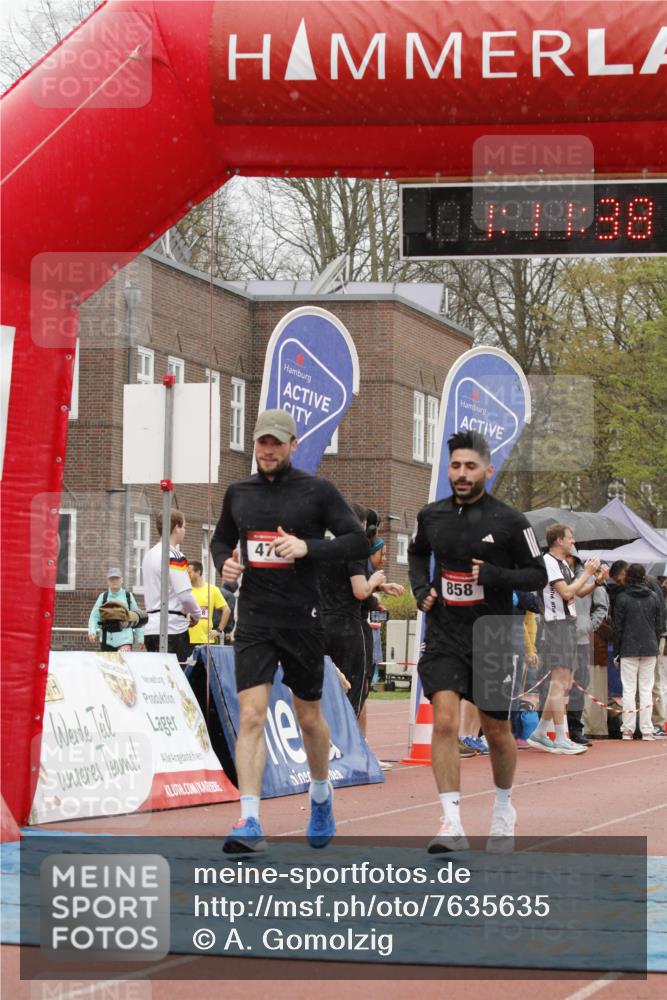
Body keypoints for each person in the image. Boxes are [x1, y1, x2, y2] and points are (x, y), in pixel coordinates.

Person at [211, 408, 368, 853]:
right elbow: (221, 539)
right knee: (251, 715)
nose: (268, 450)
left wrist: (307, 547)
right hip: (255, 619)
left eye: (276, 443)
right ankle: (249, 819)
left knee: (309, 719)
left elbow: (358, 541)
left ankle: (321, 794)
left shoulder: (317, 492)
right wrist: (225, 560)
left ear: (293, 445)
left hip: (303, 618)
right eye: (262, 442)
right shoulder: (238, 492)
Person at [408, 429, 547, 854]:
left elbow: (538, 576)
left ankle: (503, 807)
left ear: (487, 470)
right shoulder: (431, 516)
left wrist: (494, 576)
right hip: (446, 632)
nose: (462, 474)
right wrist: (420, 589)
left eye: (470, 467)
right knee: (445, 722)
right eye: (456, 466)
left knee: (497, 730)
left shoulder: (509, 520)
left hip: (492, 635)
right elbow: (416, 554)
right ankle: (451, 822)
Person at [528, 525, 602, 755]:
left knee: (565, 683)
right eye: (570, 537)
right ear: (559, 541)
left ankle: (540, 733)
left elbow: (577, 593)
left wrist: (596, 582)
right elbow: (566, 593)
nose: (574, 541)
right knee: (559, 683)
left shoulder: (562, 564)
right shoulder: (548, 561)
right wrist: (588, 573)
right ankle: (561, 736)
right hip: (556, 625)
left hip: (567, 625)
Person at [142, 509, 201, 664]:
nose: (185, 531)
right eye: (184, 527)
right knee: (177, 681)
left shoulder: (149, 555)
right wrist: (197, 614)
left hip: (151, 627)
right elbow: (185, 595)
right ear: (176, 528)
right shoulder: (175, 556)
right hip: (173, 629)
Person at [613, 563, 663, 740]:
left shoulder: (622, 598)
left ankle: (627, 729)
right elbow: (658, 626)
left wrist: (616, 652)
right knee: (646, 689)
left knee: (628, 689)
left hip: (628, 647)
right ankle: (647, 730)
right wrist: (655, 645)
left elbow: (617, 627)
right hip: (650, 646)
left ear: (627, 576)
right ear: (644, 577)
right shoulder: (654, 597)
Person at [567, 551, 610, 746]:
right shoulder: (552, 574)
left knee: (580, 683)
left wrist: (589, 626)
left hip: (581, 638)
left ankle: (575, 729)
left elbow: (602, 606)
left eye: (569, 557)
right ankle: (550, 729)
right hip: (555, 636)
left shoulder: (589, 577)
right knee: (554, 684)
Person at [87, 568, 144, 651]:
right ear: (107, 581)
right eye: (111, 579)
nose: (114, 581)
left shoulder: (128, 596)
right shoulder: (103, 597)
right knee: (108, 664)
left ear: (122, 580)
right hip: (106, 640)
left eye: (116, 578)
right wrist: (92, 631)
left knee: (122, 662)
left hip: (125, 640)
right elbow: (94, 616)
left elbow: (137, 617)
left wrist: (140, 638)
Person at [187, 560, 230, 655]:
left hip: (206, 640)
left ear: (198, 572)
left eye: (189, 572)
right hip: (187, 639)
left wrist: (219, 630)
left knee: (205, 669)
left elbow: (226, 610)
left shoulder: (212, 590)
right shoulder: (186, 590)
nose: (187, 575)